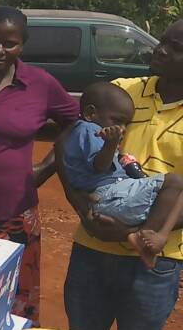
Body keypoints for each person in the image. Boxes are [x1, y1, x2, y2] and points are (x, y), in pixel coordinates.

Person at [56, 18, 183, 330]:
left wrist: (132, 234)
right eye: (163, 40)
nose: (161, 49)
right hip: (93, 247)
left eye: (176, 47)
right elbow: (66, 146)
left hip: (156, 260)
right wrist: (86, 214)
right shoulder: (122, 90)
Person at [0, 6, 79, 323]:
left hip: (16, 213)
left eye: (9, 44)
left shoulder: (40, 84)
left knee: (15, 303)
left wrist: (48, 165)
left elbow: (77, 122)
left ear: (22, 45)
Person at [60, 82, 183, 268]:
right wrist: (111, 144)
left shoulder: (94, 128)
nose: (123, 129)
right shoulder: (89, 129)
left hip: (110, 198)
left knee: (175, 189)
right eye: (117, 121)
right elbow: (99, 166)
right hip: (109, 195)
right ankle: (148, 235)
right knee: (174, 182)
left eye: (126, 124)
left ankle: (142, 235)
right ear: (90, 114)